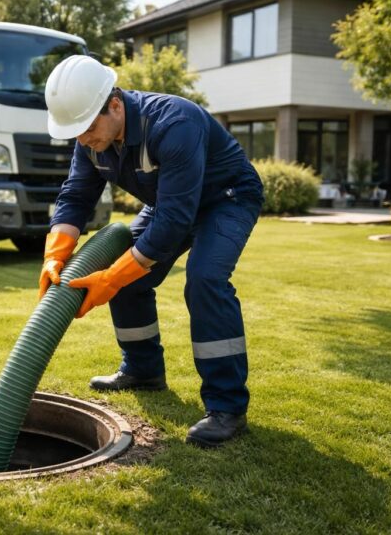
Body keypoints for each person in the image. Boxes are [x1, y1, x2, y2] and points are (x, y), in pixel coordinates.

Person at [39, 55, 264, 447]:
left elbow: (174, 223)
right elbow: (76, 195)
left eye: (88, 128)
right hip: (169, 203)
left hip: (227, 198)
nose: (84, 139)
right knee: (128, 277)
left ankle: (227, 407)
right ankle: (143, 370)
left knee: (205, 280)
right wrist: (55, 254)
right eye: (75, 132)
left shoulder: (174, 123)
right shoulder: (91, 140)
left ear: (114, 104)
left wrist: (110, 279)